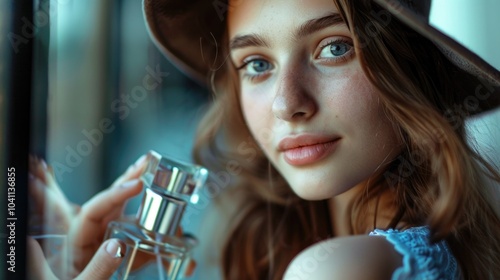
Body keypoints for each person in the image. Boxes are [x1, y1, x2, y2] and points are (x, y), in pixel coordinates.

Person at [29, 0, 500, 279]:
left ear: (409, 66)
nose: (286, 103)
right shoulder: (429, 248)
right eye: (257, 63)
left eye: (335, 47)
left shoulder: (333, 269)